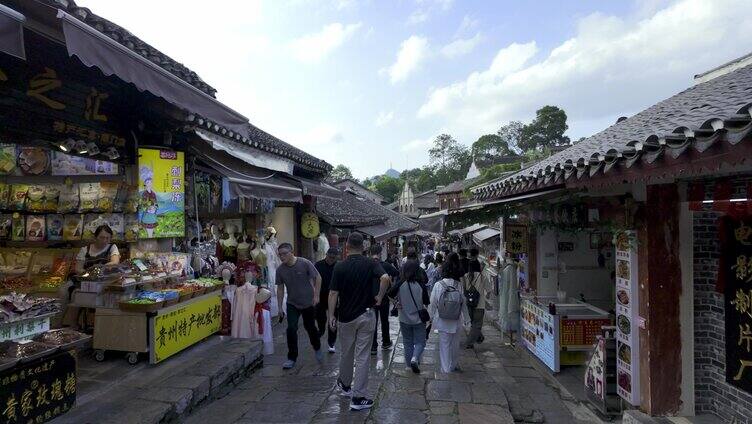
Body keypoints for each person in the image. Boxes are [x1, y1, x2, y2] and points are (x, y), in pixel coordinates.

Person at [329, 233, 390, 411]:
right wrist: (379, 296)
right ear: (363, 246)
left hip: (345, 317)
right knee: (362, 356)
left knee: (346, 352)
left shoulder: (339, 267)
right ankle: (359, 396)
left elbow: (333, 293)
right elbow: (385, 278)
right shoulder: (371, 263)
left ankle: (346, 385)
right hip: (366, 314)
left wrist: (331, 316)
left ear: (346, 246)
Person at [275, 243, 323, 369]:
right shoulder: (280, 270)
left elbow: (318, 277)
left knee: (310, 328)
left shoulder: (304, 263)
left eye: (284, 253)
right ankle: (291, 358)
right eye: (280, 254)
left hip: (308, 302)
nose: (282, 256)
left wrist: (316, 295)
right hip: (292, 303)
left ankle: (317, 347)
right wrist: (280, 308)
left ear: (292, 252)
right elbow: (280, 289)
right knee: (291, 329)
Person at [429, 252, 470, 373]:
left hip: (442, 320)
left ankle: (446, 369)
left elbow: (433, 303)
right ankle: (453, 365)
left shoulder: (438, 285)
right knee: (455, 346)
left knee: (444, 345)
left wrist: (430, 318)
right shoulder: (458, 285)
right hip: (456, 320)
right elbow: (463, 303)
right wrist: (467, 319)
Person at [388, 260, 430, 373]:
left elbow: (389, 293)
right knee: (421, 342)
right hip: (418, 319)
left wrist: (396, 303)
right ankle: (415, 358)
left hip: (404, 318)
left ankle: (408, 365)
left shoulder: (400, 283)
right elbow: (426, 301)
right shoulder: (421, 285)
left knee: (407, 342)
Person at [370, 244, 399, 355]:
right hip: (384, 298)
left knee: (373, 321)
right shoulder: (385, 265)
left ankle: (373, 346)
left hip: (371, 298)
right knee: (384, 321)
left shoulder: (367, 265)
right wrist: (391, 283)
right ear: (380, 253)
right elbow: (396, 273)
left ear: (370, 253)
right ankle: (386, 342)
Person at [315, 247, 339, 353]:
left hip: (334, 296)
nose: (331, 259)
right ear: (326, 255)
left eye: (333, 258)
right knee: (321, 319)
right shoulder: (318, 265)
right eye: (330, 257)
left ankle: (332, 342)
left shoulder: (338, 266)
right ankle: (320, 331)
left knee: (333, 318)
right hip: (320, 296)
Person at [463, 248, 488, 348]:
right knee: (477, 324)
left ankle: (478, 337)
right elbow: (489, 290)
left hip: (469, 303)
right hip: (479, 304)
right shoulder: (483, 277)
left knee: (473, 323)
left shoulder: (465, 276)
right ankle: (469, 342)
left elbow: (463, 289)